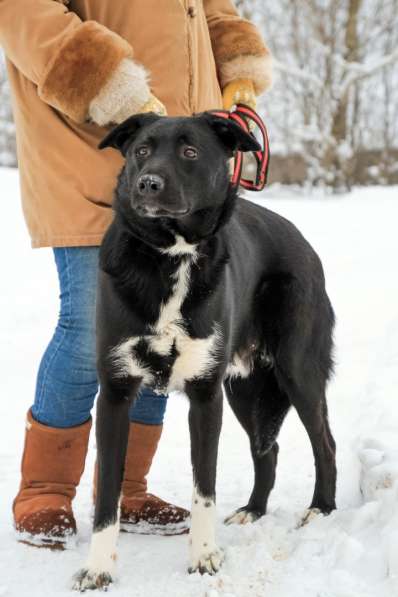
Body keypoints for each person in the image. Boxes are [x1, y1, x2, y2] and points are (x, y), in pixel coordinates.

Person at [0, 0, 272, 547]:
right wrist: (114, 89)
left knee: (168, 332)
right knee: (88, 327)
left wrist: (238, 69)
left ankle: (128, 487)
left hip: (185, 162)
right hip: (92, 139)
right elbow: (24, 13)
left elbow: (214, 12)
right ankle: (46, 489)